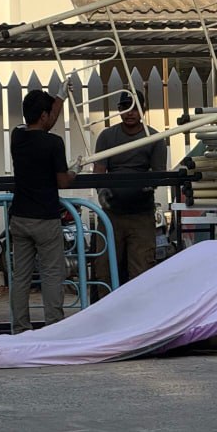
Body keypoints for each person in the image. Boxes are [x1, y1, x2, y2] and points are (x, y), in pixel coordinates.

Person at [9, 88, 74, 333]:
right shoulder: (54, 144)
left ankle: (20, 328)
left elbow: (45, 121)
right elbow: (63, 182)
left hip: (20, 217)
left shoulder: (17, 137)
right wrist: (74, 171)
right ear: (45, 116)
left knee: (21, 277)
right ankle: (54, 328)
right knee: (51, 275)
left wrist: (58, 99)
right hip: (45, 219)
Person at [92, 90, 167, 293]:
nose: (130, 113)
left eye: (135, 108)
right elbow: (99, 169)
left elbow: (159, 172)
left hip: (141, 214)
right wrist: (102, 191)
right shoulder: (107, 136)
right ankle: (105, 316)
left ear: (144, 109)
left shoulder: (155, 138)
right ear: (119, 110)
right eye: (125, 107)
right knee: (105, 269)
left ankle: (140, 318)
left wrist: (149, 184)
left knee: (141, 270)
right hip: (111, 214)